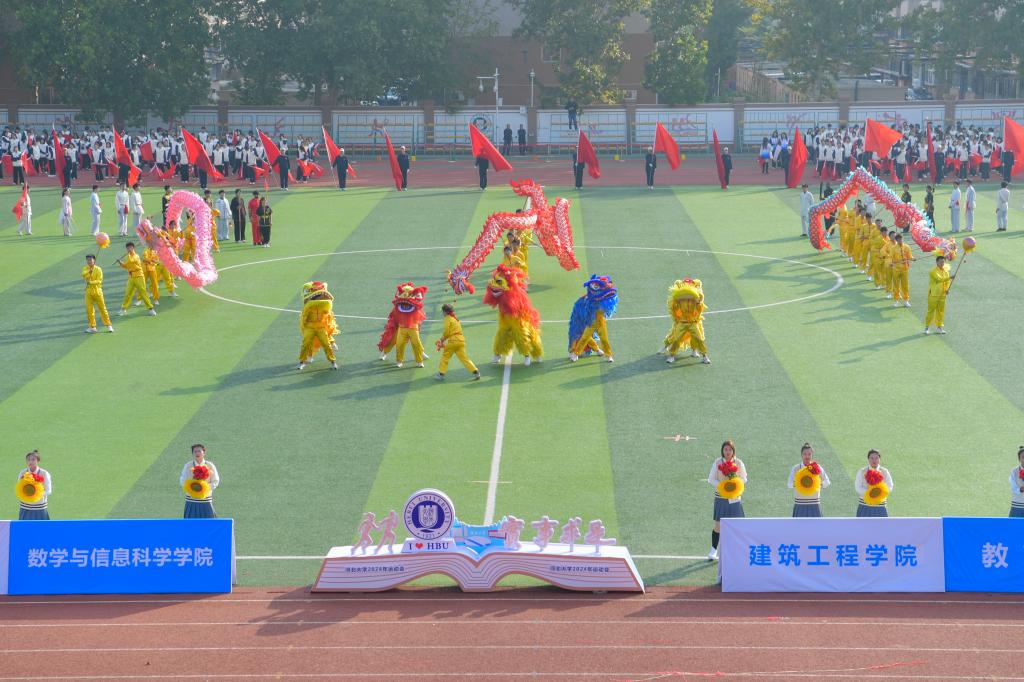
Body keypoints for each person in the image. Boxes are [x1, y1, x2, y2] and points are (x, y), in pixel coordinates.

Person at [707, 440, 746, 561]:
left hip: (734, 498)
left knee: (738, 525)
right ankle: (713, 549)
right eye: (725, 449)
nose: (728, 452)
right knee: (718, 525)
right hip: (721, 498)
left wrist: (735, 484)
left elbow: (744, 478)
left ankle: (739, 550)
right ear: (722, 451)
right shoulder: (717, 462)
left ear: (733, 451)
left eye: (730, 450)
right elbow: (711, 479)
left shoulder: (739, 463)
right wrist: (723, 486)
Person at [297, 281, 339, 371]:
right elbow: (304, 318)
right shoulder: (308, 307)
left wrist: (332, 341)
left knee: (326, 344)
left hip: (320, 328)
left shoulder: (324, 308)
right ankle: (302, 362)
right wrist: (304, 327)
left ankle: (333, 362)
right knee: (305, 344)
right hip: (310, 327)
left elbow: (328, 321)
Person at [434, 303, 480, 381]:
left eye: (443, 311)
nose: (442, 313)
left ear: (445, 312)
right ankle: (476, 372)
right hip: (461, 341)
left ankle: (441, 374)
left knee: (445, 357)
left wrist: (441, 340)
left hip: (453, 341)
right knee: (464, 359)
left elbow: (447, 332)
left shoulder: (447, 318)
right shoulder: (455, 318)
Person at [788, 443, 830, 517]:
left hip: (814, 505)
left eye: (809, 454)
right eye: (804, 454)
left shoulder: (817, 467)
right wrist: (798, 483)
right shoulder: (795, 468)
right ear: (801, 455)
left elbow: (827, 482)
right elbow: (789, 484)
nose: (807, 456)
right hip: (800, 504)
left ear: (812, 455)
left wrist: (818, 483)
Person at [179, 444, 220, 518]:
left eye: (199, 451)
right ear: (192, 453)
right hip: (191, 500)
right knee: (191, 523)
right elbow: (182, 479)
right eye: (195, 451)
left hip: (206, 499)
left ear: (204, 453)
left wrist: (205, 488)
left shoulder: (210, 465)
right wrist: (191, 488)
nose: (197, 453)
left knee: (208, 523)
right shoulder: (188, 465)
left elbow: (216, 481)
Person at [117, 242, 156, 316]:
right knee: (128, 293)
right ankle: (123, 309)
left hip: (139, 276)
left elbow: (132, 260)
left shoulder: (136, 256)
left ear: (133, 248)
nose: (129, 249)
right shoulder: (128, 256)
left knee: (143, 292)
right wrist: (120, 263)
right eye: (127, 248)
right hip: (131, 277)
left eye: (130, 247)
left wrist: (128, 254)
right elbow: (127, 266)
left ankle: (151, 309)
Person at [855, 449, 893, 517]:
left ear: (879, 459)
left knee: (882, 524)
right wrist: (870, 493)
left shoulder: (885, 471)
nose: (874, 460)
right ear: (868, 459)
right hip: (864, 505)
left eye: (876, 458)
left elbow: (890, 486)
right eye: (871, 458)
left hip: (880, 506)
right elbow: (858, 487)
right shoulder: (862, 471)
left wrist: (878, 493)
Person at [82, 254, 114, 333]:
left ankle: (108, 325)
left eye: (90, 259)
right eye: (87, 260)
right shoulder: (85, 268)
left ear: (94, 260)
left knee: (102, 309)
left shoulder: (98, 269)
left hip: (97, 291)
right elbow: (83, 274)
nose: (89, 261)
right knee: (89, 310)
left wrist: (91, 282)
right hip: (89, 291)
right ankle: (92, 327)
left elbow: (99, 280)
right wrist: (89, 271)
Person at [17, 450, 52, 520]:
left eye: (33, 459)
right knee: (24, 527)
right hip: (25, 507)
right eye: (28, 460)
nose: (30, 462)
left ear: (38, 461)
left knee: (42, 527)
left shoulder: (44, 473)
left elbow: (48, 491)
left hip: (40, 508)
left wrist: (36, 494)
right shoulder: (23, 473)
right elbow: (19, 488)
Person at [924, 254, 952, 334]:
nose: (942, 263)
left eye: (943, 262)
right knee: (931, 311)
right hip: (933, 294)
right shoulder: (933, 271)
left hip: (942, 295)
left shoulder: (946, 271)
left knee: (941, 311)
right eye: (940, 262)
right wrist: (949, 277)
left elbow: (947, 282)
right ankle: (927, 327)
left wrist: (947, 289)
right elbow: (938, 279)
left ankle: (939, 327)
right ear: (936, 262)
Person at [889, 233, 913, 308]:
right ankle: (896, 300)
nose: (900, 240)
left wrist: (912, 258)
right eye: (899, 239)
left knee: (905, 285)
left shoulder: (907, 247)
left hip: (905, 268)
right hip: (896, 268)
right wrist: (891, 263)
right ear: (896, 240)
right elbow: (890, 257)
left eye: (901, 239)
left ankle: (906, 301)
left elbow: (910, 256)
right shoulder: (893, 248)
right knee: (896, 285)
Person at [1010, 446, 1024, 517]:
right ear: (1019, 459)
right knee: (1014, 523)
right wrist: (1021, 489)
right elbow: (1014, 488)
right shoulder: (1014, 471)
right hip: (1017, 505)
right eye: (1023, 457)